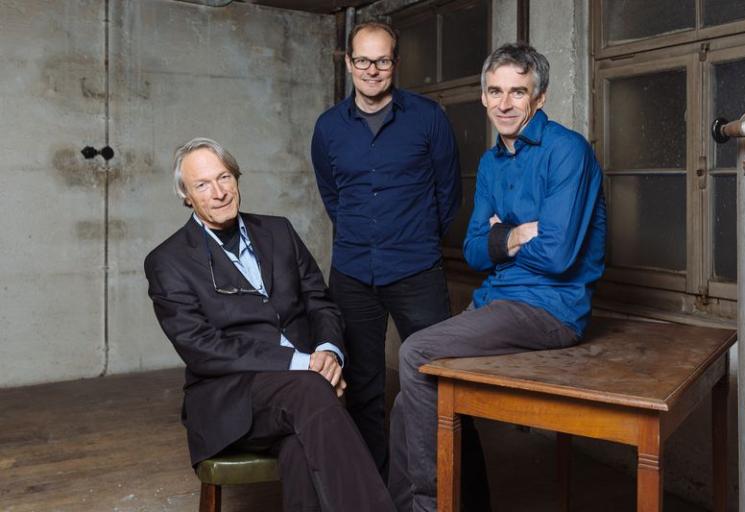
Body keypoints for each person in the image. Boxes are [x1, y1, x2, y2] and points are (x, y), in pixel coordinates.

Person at [390, 43, 607, 512]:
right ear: (484, 97)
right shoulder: (491, 163)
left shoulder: (567, 151)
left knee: (415, 350)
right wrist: (516, 236)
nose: (504, 104)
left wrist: (500, 242)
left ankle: (430, 507)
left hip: (551, 309)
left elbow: (558, 255)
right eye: (495, 91)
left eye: (517, 92)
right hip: (496, 302)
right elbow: (471, 251)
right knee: (407, 401)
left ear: (540, 97)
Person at [144, 137, 395, 512]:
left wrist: (327, 351)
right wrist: (303, 364)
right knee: (311, 391)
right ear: (186, 195)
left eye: (224, 177)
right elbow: (202, 349)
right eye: (202, 185)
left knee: (300, 447)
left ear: (237, 178)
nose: (218, 192)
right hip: (230, 399)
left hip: (303, 394)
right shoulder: (168, 261)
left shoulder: (279, 232)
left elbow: (320, 303)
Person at [311, 21, 468, 476]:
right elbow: (333, 195)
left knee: (442, 379)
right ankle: (371, 491)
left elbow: (448, 195)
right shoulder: (328, 128)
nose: (372, 70)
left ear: (395, 64)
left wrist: (414, 238)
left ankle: (455, 491)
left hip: (417, 270)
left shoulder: (428, 117)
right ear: (348, 63)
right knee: (361, 386)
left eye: (382, 61)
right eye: (363, 60)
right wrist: (366, 236)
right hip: (353, 273)